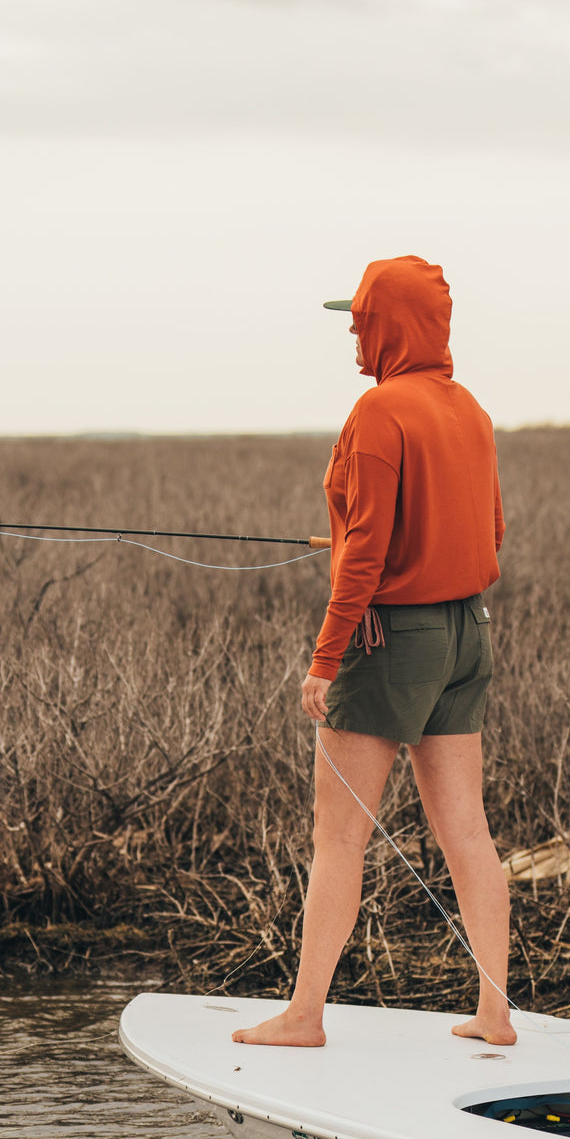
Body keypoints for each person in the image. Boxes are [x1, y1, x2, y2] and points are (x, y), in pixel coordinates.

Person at [233, 255, 514, 1048]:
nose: (354, 331)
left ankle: (303, 1016)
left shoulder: (377, 412)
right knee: (468, 829)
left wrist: (325, 660)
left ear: (391, 324)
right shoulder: (472, 411)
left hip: (392, 638)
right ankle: (495, 1016)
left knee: (339, 837)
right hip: (467, 634)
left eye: (361, 318)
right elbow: (489, 532)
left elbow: (364, 555)